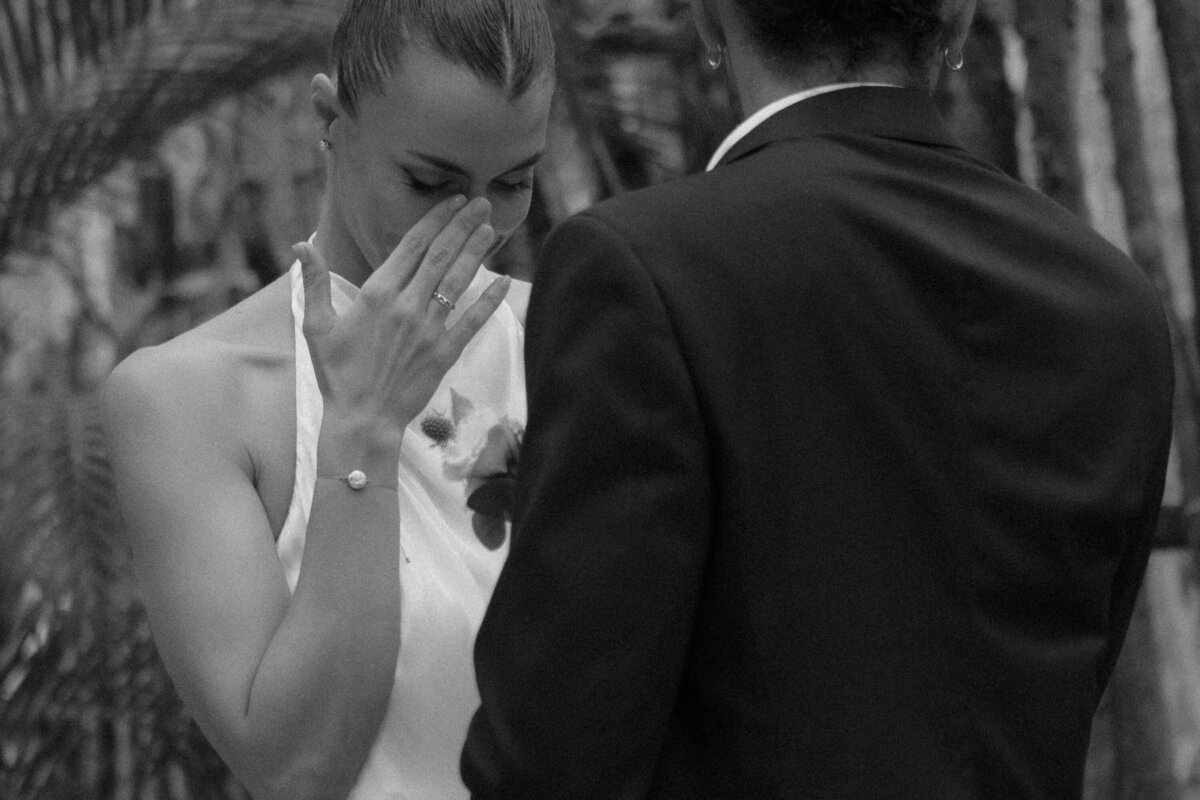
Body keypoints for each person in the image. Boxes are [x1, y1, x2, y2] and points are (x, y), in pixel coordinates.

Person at [462, 0, 1174, 797]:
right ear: (961, 23)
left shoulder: (645, 271)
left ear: (706, 21)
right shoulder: (1112, 306)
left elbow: (556, 749)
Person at [101, 1, 554, 798]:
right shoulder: (186, 400)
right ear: (329, 121)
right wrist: (362, 433)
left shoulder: (569, 342)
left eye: (513, 182)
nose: (476, 222)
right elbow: (297, 770)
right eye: (429, 181)